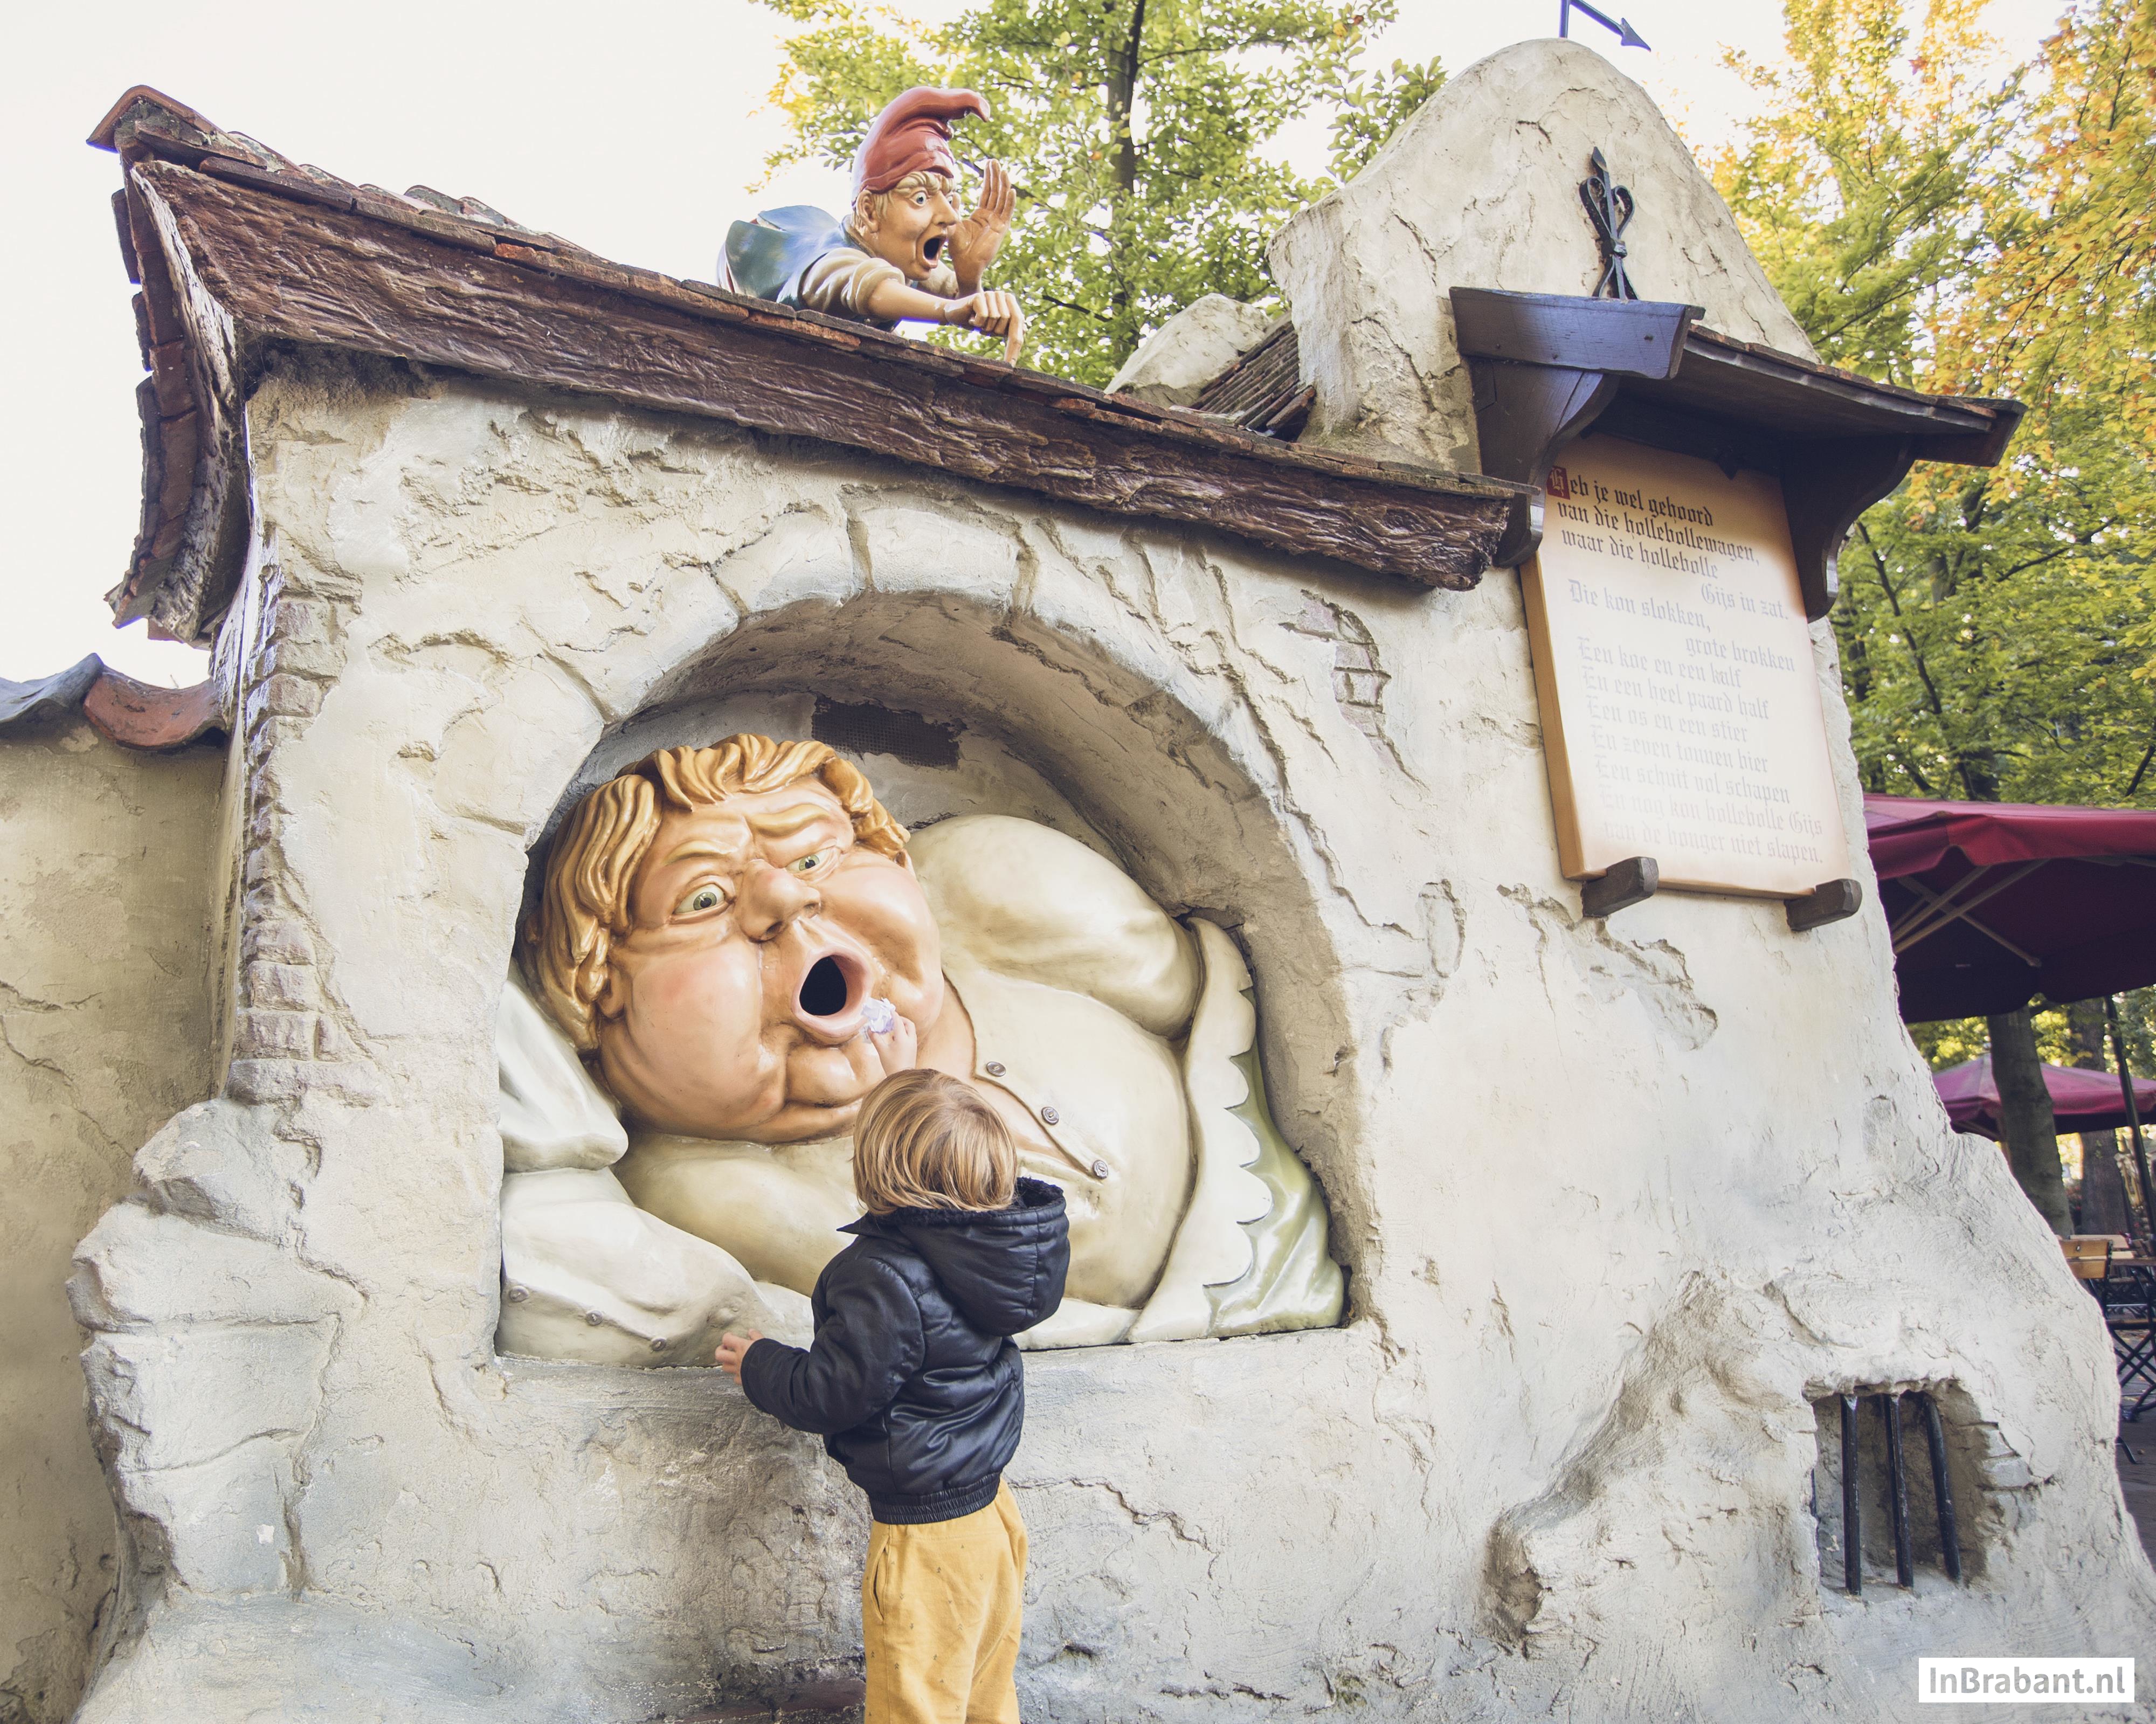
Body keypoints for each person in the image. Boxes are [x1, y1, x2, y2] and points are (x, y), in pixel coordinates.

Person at [717, 1069, 1069, 1724]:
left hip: (928, 1539)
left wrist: (760, 1363)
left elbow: (833, 1392)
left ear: (878, 1169)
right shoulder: (997, 1260)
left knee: (916, 1706)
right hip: (993, 1518)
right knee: (983, 1695)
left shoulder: (878, 1274)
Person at [723, 86, 1026, 361]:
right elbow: (865, 285)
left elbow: (961, 300)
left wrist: (970, 279)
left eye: (948, 199)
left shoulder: (902, 256)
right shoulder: (832, 262)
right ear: (869, 210)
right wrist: (946, 311)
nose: (951, 217)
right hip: (759, 273)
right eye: (921, 199)